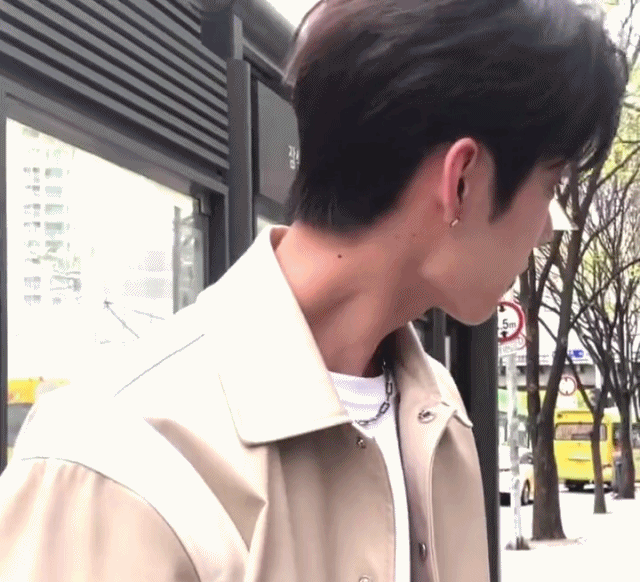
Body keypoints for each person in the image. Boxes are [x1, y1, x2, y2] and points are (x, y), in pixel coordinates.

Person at [0, 1, 627, 581]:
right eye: (550, 185)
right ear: (461, 181)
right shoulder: (109, 464)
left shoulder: (441, 419)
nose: (546, 229)